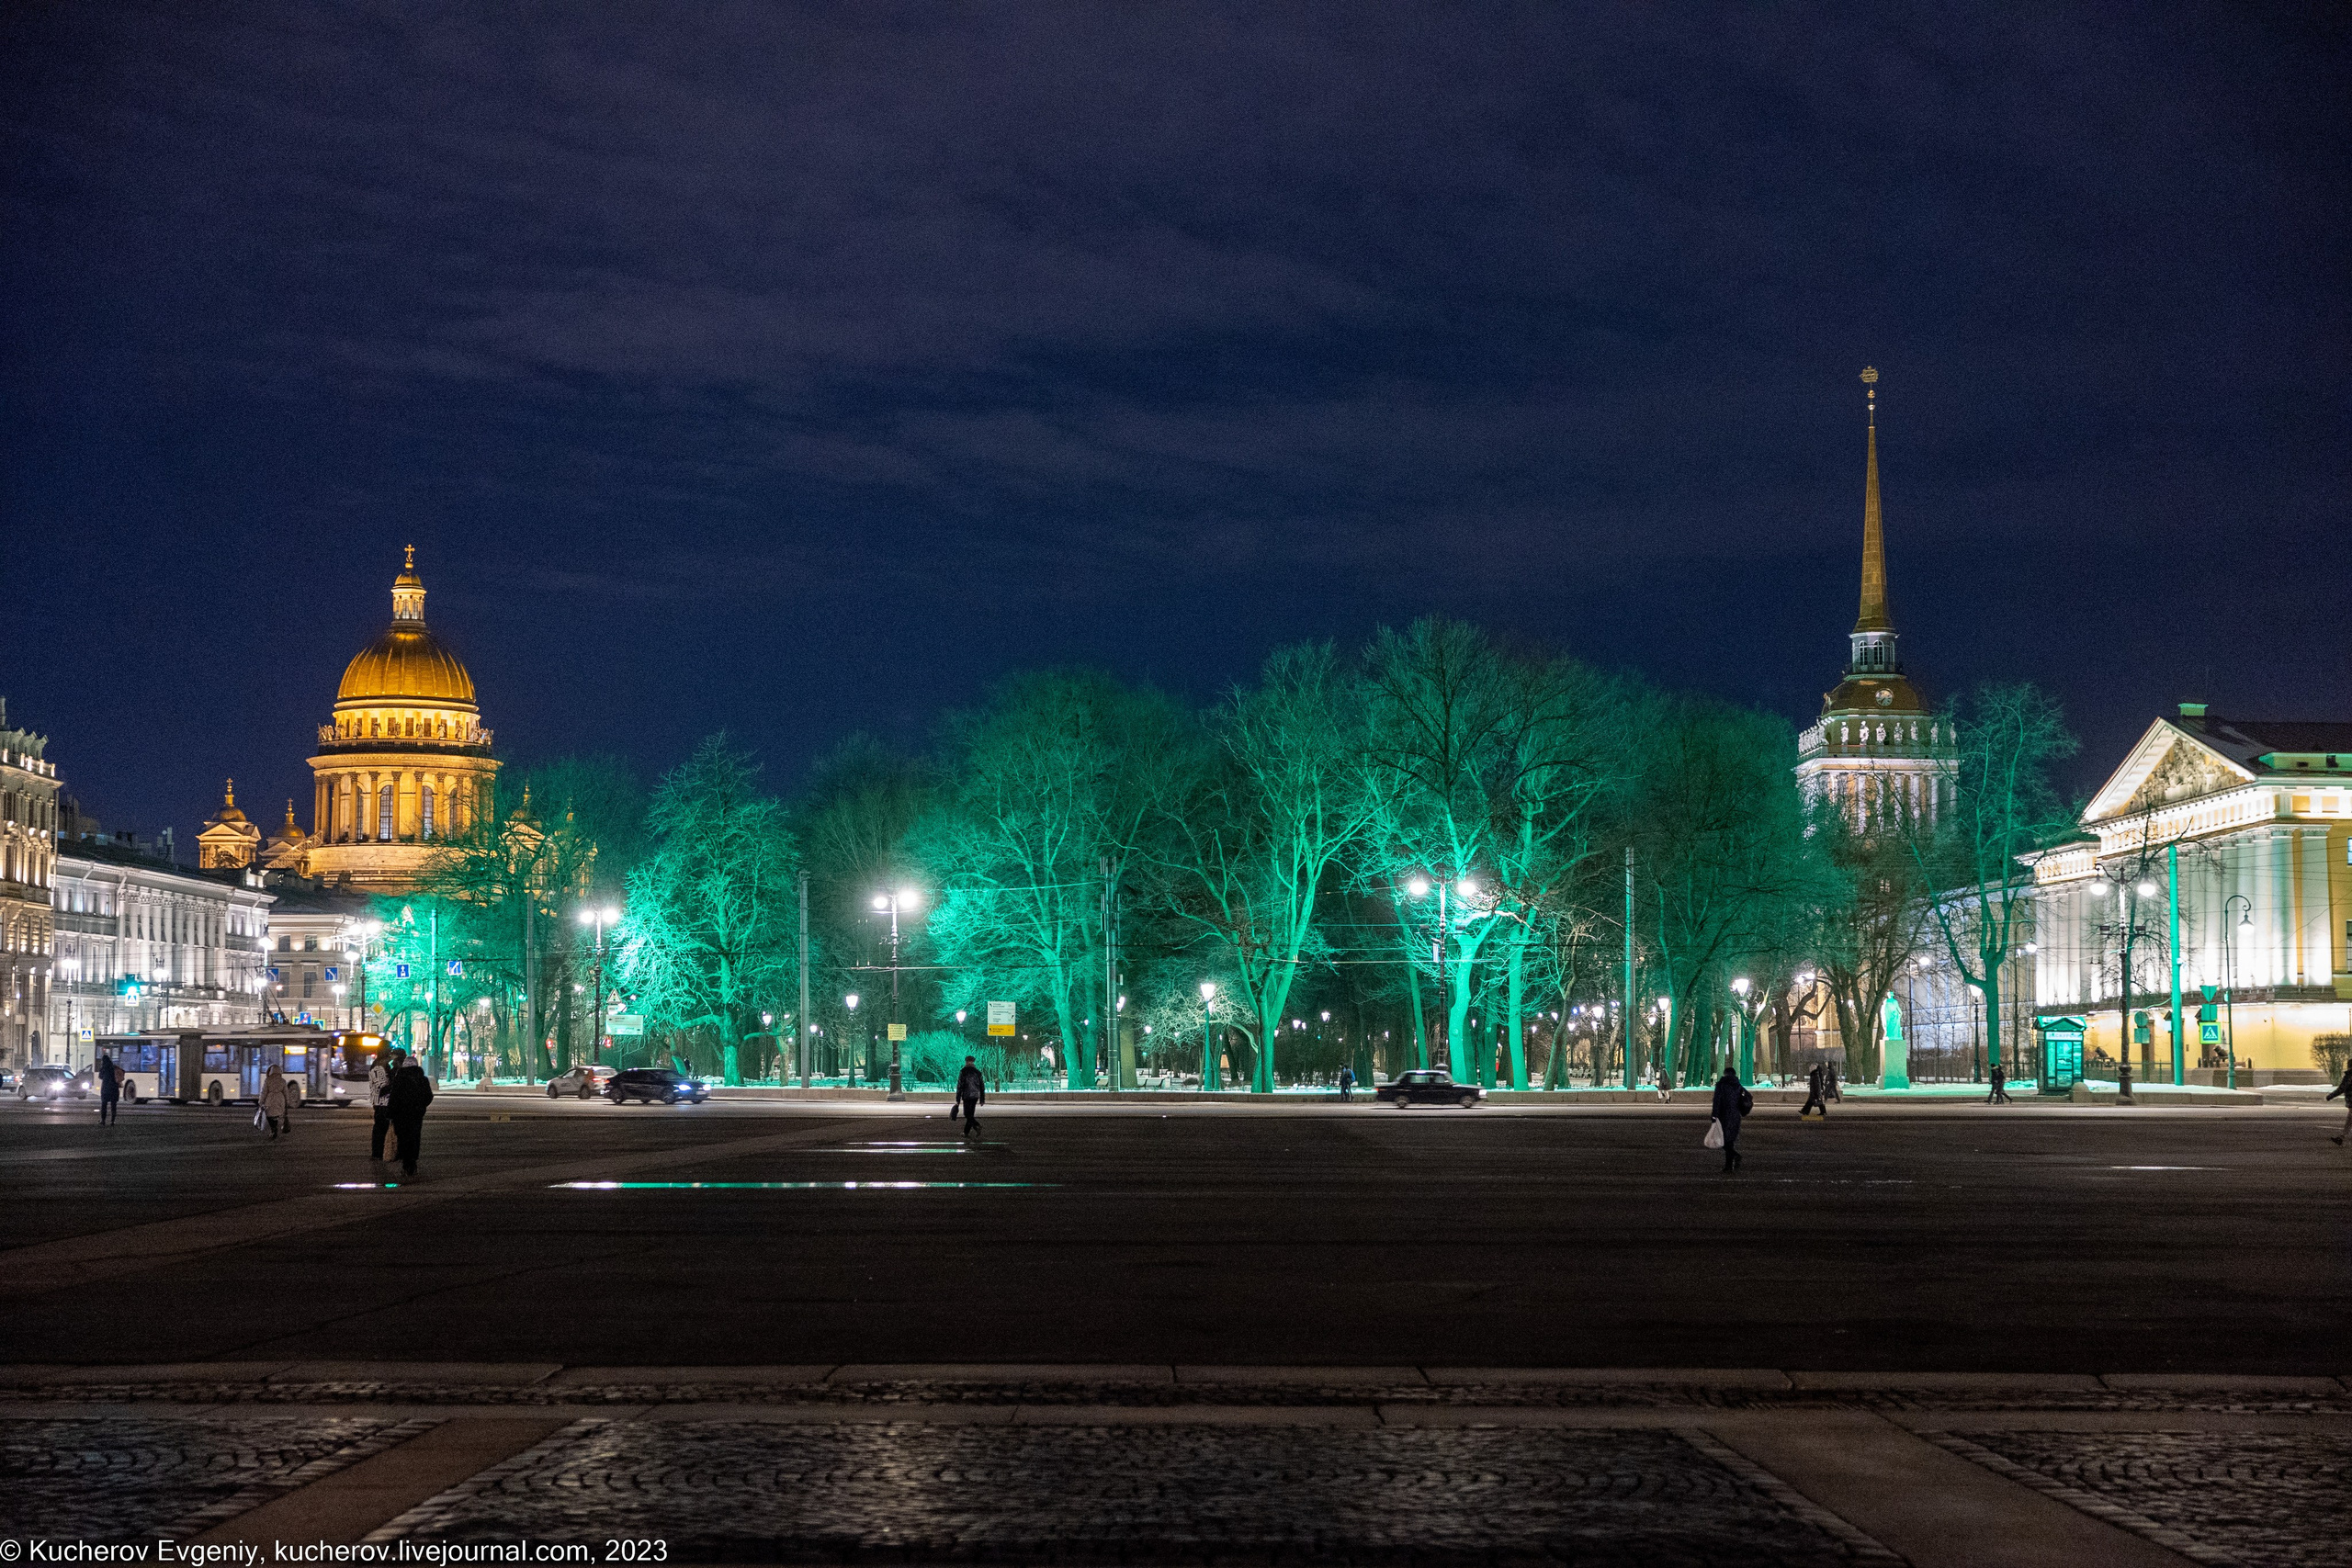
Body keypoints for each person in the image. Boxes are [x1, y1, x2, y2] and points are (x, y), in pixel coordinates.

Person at [388, 1056, 435, 1178]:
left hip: (400, 1115)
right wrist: (421, 1107)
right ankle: (412, 1164)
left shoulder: (399, 1078)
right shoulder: (422, 1079)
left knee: (403, 1139)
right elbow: (428, 1096)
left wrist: (391, 1113)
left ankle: (405, 1164)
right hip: (416, 1114)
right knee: (414, 1138)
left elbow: (394, 1097)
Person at [1711, 1066, 1753, 1172]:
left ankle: (1734, 1157)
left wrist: (1714, 1115)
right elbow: (1748, 1097)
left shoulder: (1721, 1085)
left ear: (1725, 1074)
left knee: (1722, 1140)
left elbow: (1717, 1101)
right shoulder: (1738, 1085)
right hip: (1735, 1115)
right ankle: (1729, 1166)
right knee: (1730, 1140)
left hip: (1723, 1115)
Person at [368, 1049, 401, 1162]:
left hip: (385, 1102)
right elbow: (383, 1087)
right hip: (382, 1103)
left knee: (383, 1129)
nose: (391, 1058)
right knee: (380, 1129)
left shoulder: (384, 1067)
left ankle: (381, 1153)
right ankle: (377, 1153)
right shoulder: (378, 1068)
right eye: (390, 1054)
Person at [260, 1063, 294, 1140]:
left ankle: (273, 1129)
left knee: (269, 1115)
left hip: (270, 1100)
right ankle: (274, 1128)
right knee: (276, 1115)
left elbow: (264, 1092)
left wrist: (261, 1101)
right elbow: (286, 1092)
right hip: (280, 1100)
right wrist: (287, 1102)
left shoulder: (268, 1080)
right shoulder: (283, 1081)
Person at [954, 1055, 986, 1136]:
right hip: (975, 1095)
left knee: (967, 1114)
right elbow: (982, 1086)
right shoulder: (978, 1072)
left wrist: (958, 1099)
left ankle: (977, 1126)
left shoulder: (963, 1071)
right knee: (970, 1114)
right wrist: (982, 1098)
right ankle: (967, 1132)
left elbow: (960, 1085)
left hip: (967, 1095)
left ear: (966, 1062)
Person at [2328, 1060, 2352, 1145]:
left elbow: (2341, 1089)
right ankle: (2341, 1137)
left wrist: (2330, 1096)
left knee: (2350, 1119)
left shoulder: (2349, 1076)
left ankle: (2342, 1137)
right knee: (2349, 1120)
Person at [96, 1052, 121, 1127]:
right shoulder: (114, 1068)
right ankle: (112, 1121)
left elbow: (100, 1077)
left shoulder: (103, 1068)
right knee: (113, 1106)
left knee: (104, 1105)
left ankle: (103, 1121)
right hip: (114, 1089)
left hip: (106, 1089)